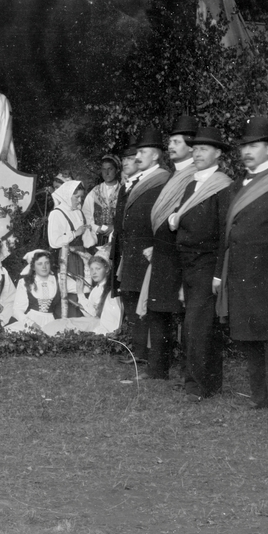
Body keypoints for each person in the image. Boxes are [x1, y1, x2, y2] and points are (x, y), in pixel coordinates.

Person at [213, 116, 268, 429]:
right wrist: (219, 273)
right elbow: (225, 235)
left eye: (254, 145)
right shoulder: (235, 186)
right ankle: (259, 394)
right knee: (248, 336)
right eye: (244, 146)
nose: (247, 151)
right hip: (239, 273)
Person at [169, 125, 234, 400]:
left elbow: (225, 233)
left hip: (207, 263)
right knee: (195, 322)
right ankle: (204, 381)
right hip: (188, 262)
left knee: (199, 324)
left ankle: (197, 385)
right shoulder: (191, 184)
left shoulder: (222, 187)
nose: (197, 154)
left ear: (217, 153)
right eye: (194, 149)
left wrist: (219, 273)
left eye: (203, 149)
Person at [145, 115, 199, 381]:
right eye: (170, 141)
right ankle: (158, 370)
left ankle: (188, 373)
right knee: (158, 311)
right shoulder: (174, 175)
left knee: (186, 315)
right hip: (163, 252)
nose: (170, 146)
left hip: (182, 253)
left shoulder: (194, 176)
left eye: (177, 142)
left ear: (191, 146)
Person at [110, 131, 170, 372]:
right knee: (131, 298)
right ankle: (139, 352)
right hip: (130, 251)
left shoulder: (162, 180)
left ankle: (148, 354)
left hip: (146, 251)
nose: (135, 158)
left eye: (141, 152)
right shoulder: (133, 183)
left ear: (155, 155)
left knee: (144, 302)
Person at [47, 179, 93, 310]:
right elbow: (54, 241)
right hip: (66, 259)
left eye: (81, 197)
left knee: (84, 290)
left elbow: (86, 239)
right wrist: (75, 233)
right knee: (69, 294)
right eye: (76, 197)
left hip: (81, 257)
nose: (79, 200)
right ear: (67, 195)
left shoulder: (78, 212)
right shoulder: (57, 214)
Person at [6, 249, 65, 331]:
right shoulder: (25, 282)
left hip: (51, 321)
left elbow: (80, 288)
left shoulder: (58, 280)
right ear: (33, 267)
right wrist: (30, 323)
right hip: (31, 320)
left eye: (47, 263)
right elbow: (17, 310)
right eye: (40, 264)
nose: (44, 267)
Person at [82, 155, 123, 249]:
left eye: (110, 169)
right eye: (104, 169)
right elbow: (85, 215)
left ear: (117, 170)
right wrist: (96, 228)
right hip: (97, 238)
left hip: (116, 238)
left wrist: (115, 227)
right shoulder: (95, 192)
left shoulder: (123, 192)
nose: (106, 173)